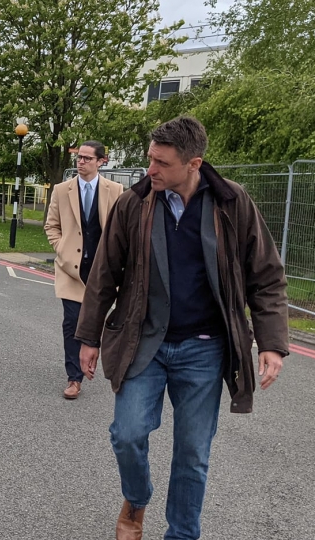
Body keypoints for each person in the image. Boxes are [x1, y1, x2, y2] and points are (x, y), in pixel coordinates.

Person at [75, 117, 288, 540]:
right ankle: (136, 500)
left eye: (161, 163)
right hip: (144, 342)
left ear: (194, 163)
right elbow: (104, 274)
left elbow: (265, 276)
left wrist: (273, 343)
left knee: (193, 454)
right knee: (127, 434)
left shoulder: (232, 203)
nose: (149, 170)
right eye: (149, 159)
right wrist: (88, 337)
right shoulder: (134, 204)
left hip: (205, 350)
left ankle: (182, 534)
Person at [44, 141, 122, 400]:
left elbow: (121, 230)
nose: (81, 162)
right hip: (71, 269)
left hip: (103, 270)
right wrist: (62, 249)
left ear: (102, 161)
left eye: (88, 158)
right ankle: (74, 378)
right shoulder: (61, 190)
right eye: (79, 157)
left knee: (98, 321)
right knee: (72, 323)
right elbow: (51, 226)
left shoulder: (115, 190)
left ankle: (98, 358)